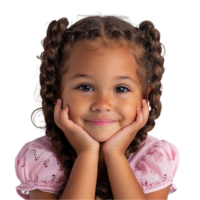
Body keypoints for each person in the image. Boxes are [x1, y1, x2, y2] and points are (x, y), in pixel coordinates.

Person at [14, 9, 179, 200]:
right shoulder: (42, 158)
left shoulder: (153, 158)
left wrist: (115, 154)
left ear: (144, 97)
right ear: (59, 92)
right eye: (85, 87)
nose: (102, 104)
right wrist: (87, 153)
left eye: (121, 89)